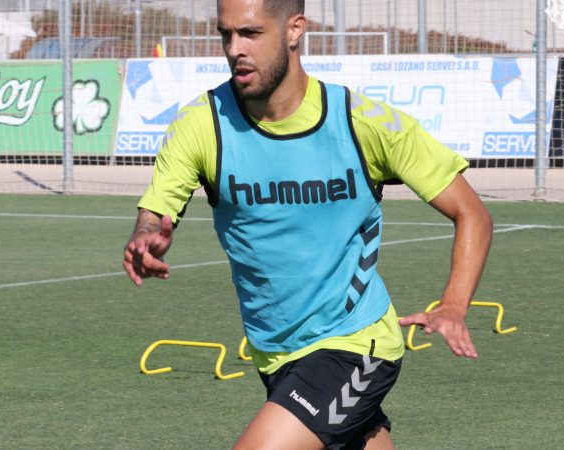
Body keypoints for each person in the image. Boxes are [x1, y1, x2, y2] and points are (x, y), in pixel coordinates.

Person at [122, 0, 493, 448]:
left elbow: (472, 212)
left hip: (356, 344)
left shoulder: (361, 122)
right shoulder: (202, 124)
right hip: (274, 352)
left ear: (295, 30)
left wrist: (453, 305)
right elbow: (156, 209)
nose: (235, 48)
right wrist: (145, 235)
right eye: (226, 34)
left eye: (251, 33)